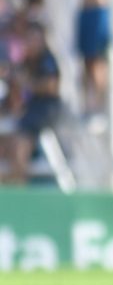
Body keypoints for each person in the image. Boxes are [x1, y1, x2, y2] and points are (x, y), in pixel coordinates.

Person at [5, 22, 62, 184]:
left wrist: (28, 84)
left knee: (20, 146)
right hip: (30, 111)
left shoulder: (47, 60)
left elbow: (51, 86)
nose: (31, 43)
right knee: (11, 143)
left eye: (34, 39)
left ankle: (20, 184)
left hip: (45, 111)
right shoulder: (26, 62)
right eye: (28, 39)